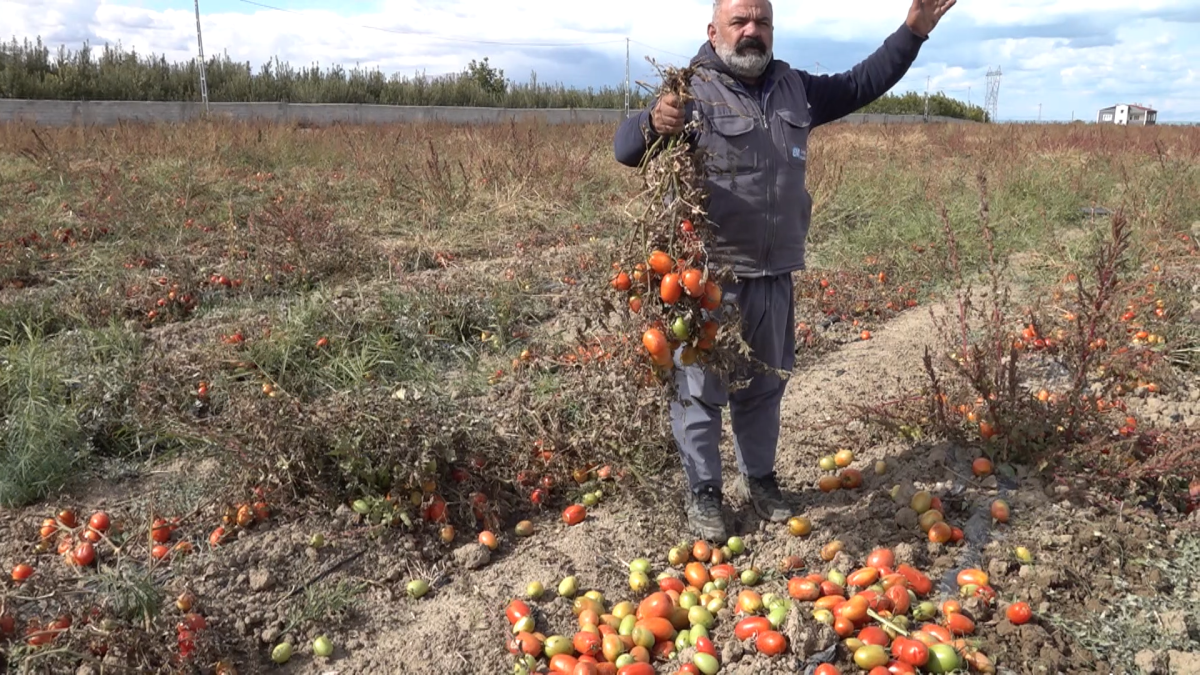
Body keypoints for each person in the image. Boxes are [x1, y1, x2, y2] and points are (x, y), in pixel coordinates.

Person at [612, 0, 956, 542]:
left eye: (762, 22)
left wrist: (913, 31)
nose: (752, 32)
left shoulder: (796, 88)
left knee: (764, 385)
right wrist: (653, 121)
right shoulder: (689, 89)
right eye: (740, 22)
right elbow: (626, 149)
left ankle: (762, 480)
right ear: (713, 30)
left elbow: (863, 81)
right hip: (707, 281)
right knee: (699, 392)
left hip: (774, 272)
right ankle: (704, 493)